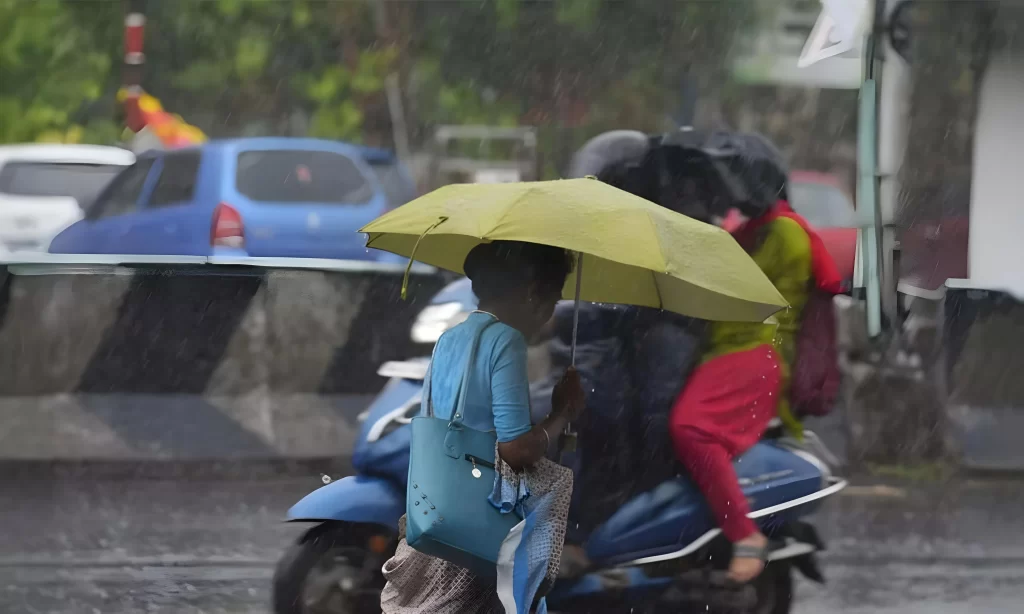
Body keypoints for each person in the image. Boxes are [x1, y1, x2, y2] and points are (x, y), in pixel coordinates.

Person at [669, 132, 840, 584]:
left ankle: (746, 535)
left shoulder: (783, 232)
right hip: (725, 351)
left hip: (752, 355)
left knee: (690, 429)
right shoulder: (751, 228)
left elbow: (730, 283)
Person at [381, 240, 585, 614]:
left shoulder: (450, 338)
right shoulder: (506, 341)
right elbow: (515, 451)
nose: (550, 316)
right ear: (530, 293)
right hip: (478, 517)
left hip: (436, 510)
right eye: (553, 301)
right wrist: (561, 414)